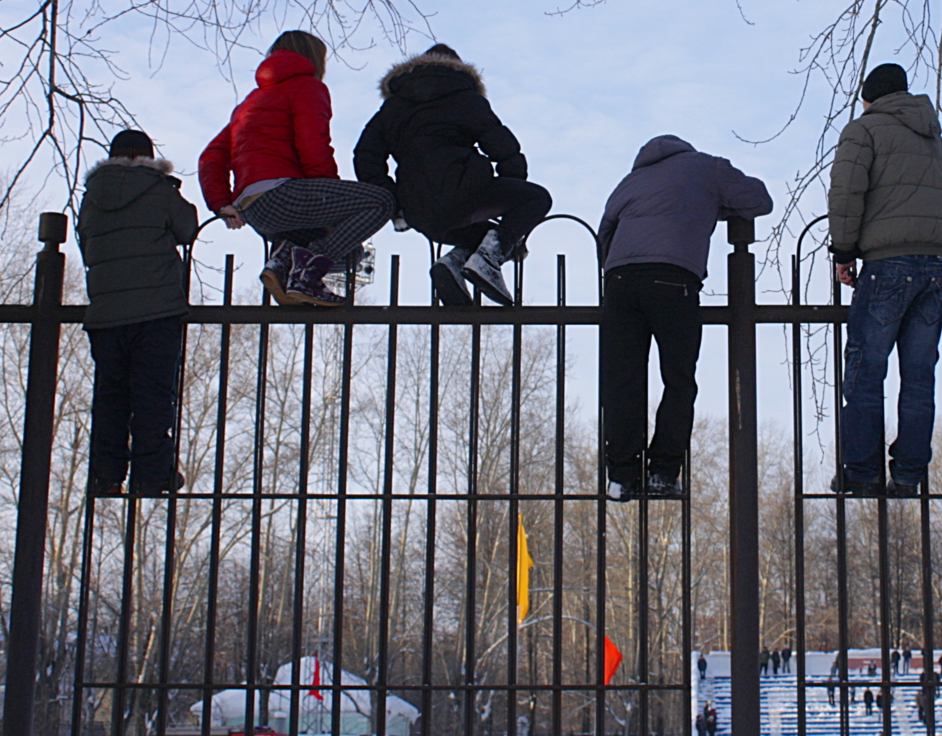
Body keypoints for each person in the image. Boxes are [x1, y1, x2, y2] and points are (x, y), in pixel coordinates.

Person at [597, 135, 772, 500]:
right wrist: (713, 206)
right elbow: (759, 200)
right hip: (672, 279)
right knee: (678, 379)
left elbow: (605, 234)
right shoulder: (707, 167)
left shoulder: (630, 181)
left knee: (622, 381)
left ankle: (622, 476)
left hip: (619, 282)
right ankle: (662, 472)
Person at [828, 62, 942, 497]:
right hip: (933, 267)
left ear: (869, 99)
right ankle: (908, 474)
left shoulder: (864, 129)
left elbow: (847, 190)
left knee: (867, 371)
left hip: (887, 265)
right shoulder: (934, 136)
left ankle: (863, 472)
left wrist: (844, 251)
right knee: (920, 376)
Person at [200, 31, 393, 306]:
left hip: (253, 209)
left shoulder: (250, 102)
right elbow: (313, 148)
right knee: (381, 201)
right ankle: (307, 274)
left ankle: (284, 261)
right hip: (282, 195)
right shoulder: (307, 87)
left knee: (353, 256)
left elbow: (211, 156)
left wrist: (221, 203)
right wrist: (334, 207)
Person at [354, 43, 551, 306]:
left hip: (420, 212)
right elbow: (506, 152)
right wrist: (506, 206)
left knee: (491, 238)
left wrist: (394, 203)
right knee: (537, 200)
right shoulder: (467, 101)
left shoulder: (393, 108)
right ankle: (488, 261)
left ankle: (454, 263)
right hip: (465, 195)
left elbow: (367, 156)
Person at [78, 129, 199, 496]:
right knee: (152, 397)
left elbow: (87, 244)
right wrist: (171, 187)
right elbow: (188, 228)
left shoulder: (92, 197)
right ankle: (151, 475)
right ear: (148, 157)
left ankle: (106, 475)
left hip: (106, 313)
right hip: (155, 310)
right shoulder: (158, 189)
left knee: (111, 396)